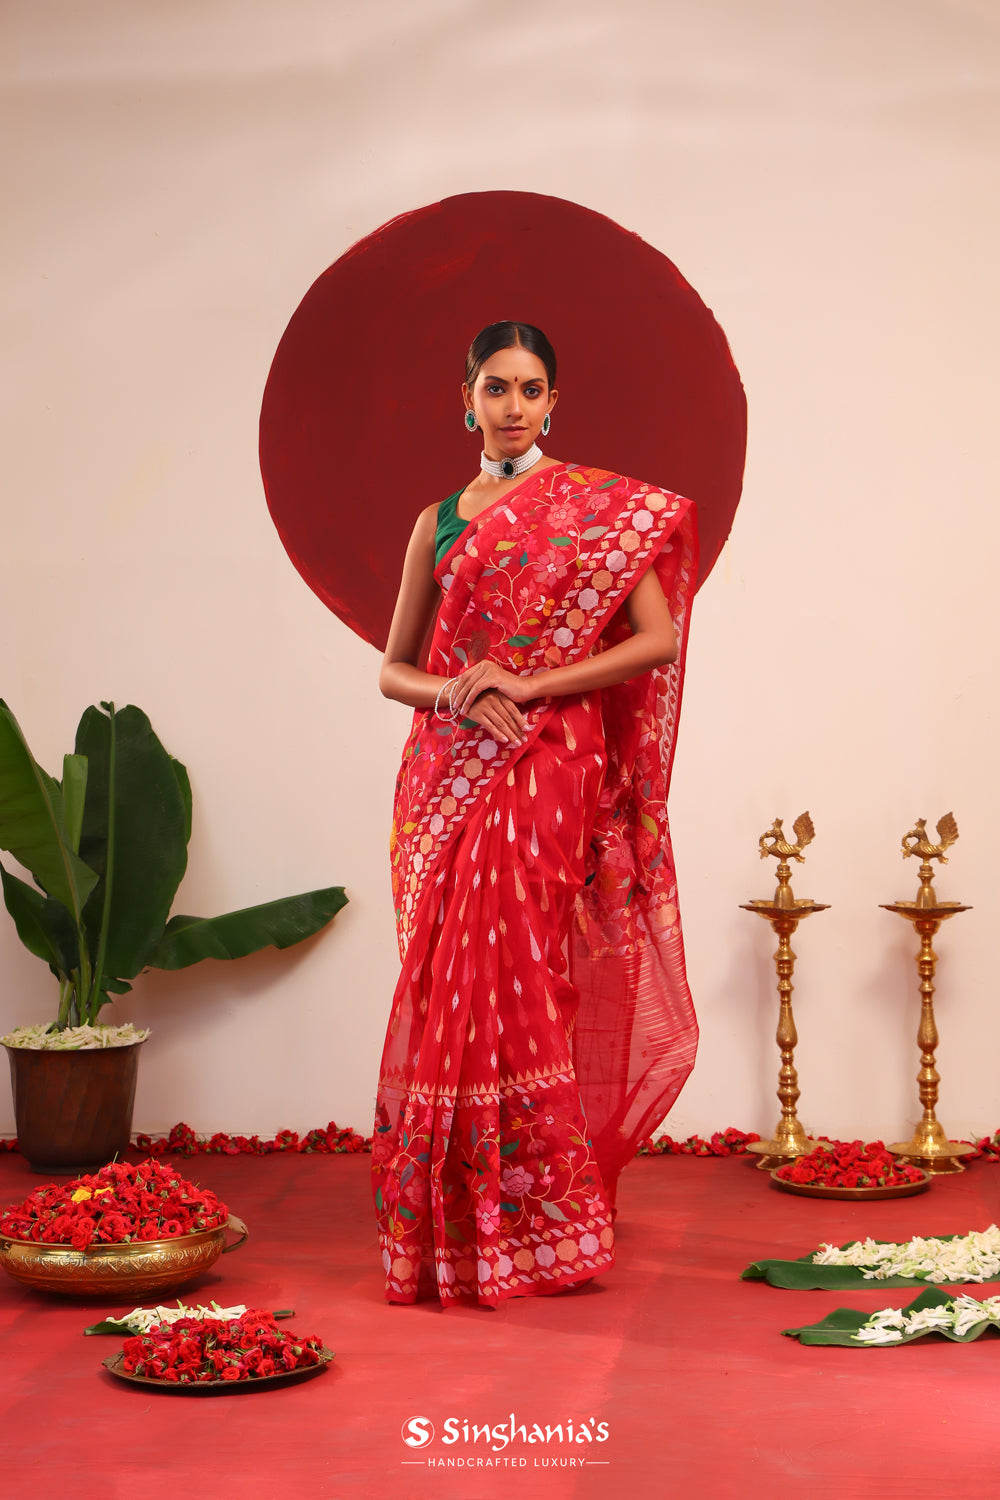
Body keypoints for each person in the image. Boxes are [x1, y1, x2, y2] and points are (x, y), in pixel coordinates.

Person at [374, 321, 698, 1307]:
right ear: (463, 398)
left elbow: (654, 641)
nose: (512, 405)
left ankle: (534, 1217)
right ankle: (455, 1223)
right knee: (445, 977)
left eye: (530, 389)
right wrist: (455, 694)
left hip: (547, 762)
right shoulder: (435, 521)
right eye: (494, 386)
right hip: (445, 767)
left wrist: (535, 679)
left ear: (553, 403)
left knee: (515, 969)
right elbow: (392, 668)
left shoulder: (591, 514)